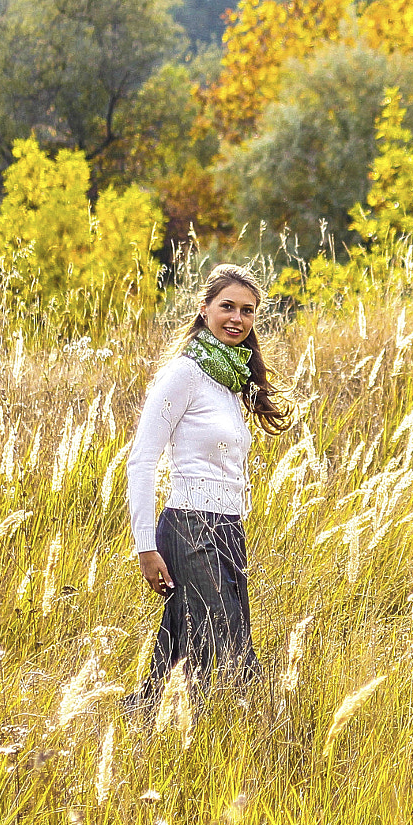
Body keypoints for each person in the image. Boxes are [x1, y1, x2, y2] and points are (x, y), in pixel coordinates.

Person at [124, 264, 295, 707]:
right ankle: (267, 732)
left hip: (228, 529)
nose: (237, 318)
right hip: (189, 528)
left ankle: (141, 722)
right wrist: (146, 546)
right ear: (204, 310)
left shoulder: (229, 380)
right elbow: (141, 460)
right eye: (227, 307)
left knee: (184, 649)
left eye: (248, 311)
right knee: (233, 647)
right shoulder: (183, 373)